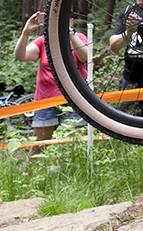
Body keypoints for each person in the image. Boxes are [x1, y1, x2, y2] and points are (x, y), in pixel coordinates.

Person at [14, 10, 88, 144]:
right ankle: (34, 166)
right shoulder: (43, 41)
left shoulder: (79, 38)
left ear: (70, 21)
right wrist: (26, 31)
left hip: (74, 97)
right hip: (46, 98)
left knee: (71, 144)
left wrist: (70, 33)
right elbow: (20, 56)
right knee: (39, 145)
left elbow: (86, 57)